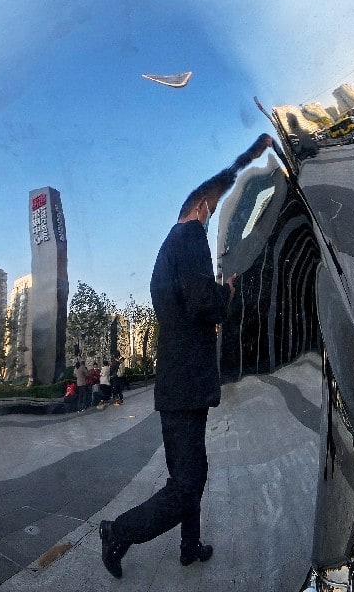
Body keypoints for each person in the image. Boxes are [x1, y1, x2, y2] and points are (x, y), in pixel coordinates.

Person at [100, 134, 271, 579]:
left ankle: (189, 547)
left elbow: (183, 305)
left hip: (178, 385)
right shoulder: (191, 237)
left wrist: (249, 155)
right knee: (187, 484)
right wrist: (226, 293)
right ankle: (117, 532)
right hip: (185, 384)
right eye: (211, 209)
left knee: (191, 473)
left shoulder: (165, 251)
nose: (210, 214)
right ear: (199, 210)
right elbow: (202, 303)